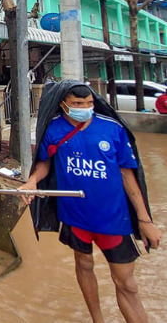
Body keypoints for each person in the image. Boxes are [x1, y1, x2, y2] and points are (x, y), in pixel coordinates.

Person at [19, 83, 161, 323]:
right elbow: (45, 163)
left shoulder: (113, 130)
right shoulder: (53, 130)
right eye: (77, 104)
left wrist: (145, 220)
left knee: (127, 284)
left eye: (89, 104)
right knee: (84, 264)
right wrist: (32, 181)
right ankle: (98, 320)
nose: (84, 109)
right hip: (75, 218)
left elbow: (129, 177)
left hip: (114, 221)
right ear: (64, 104)